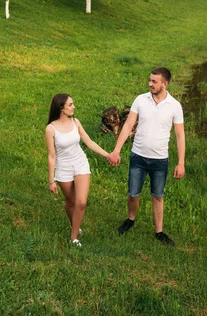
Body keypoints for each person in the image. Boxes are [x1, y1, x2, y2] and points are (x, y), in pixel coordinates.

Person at [107, 67, 185, 246]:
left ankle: (159, 232)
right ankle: (130, 220)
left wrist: (181, 162)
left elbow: (180, 135)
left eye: (154, 82)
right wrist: (116, 150)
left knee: (158, 195)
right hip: (138, 157)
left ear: (165, 84)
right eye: (150, 80)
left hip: (160, 160)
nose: (150, 84)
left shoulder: (174, 106)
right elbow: (127, 126)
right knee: (133, 193)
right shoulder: (140, 100)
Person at [46, 93, 110, 247]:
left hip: (80, 163)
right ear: (61, 108)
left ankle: (73, 237)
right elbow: (51, 156)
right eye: (70, 105)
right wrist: (51, 180)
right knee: (71, 202)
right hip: (63, 168)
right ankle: (74, 224)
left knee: (81, 202)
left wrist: (108, 155)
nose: (73, 107)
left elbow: (89, 142)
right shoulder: (51, 129)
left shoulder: (76, 122)